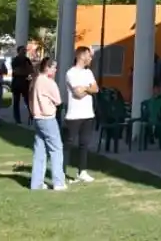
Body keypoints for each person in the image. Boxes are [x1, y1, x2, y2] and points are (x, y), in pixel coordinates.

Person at [29, 57, 66, 190]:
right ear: (47, 68)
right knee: (56, 149)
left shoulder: (35, 80)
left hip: (37, 118)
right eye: (54, 67)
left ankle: (36, 183)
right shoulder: (48, 82)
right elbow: (58, 100)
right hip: (48, 118)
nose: (56, 70)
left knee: (40, 150)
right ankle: (58, 182)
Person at [64, 47, 99, 183]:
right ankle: (61, 171)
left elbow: (96, 89)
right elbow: (77, 94)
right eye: (89, 56)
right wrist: (88, 89)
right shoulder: (71, 73)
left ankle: (82, 171)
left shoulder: (88, 72)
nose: (91, 58)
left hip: (88, 114)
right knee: (69, 144)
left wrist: (84, 88)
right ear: (82, 56)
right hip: (74, 115)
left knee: (84, 144)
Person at [10, 46, 35, 126]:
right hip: (17, 82)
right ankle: (17, 118)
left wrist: (25, 71)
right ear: (18, 51)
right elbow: (17, 71)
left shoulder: (27, 59)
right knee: (16, 102)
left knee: (28, 101)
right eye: (23, 50)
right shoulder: (15, 60)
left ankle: (32, 116)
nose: (24, 51)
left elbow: (31, 70)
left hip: (25, 82)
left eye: (25, 50)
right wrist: (25, 71)